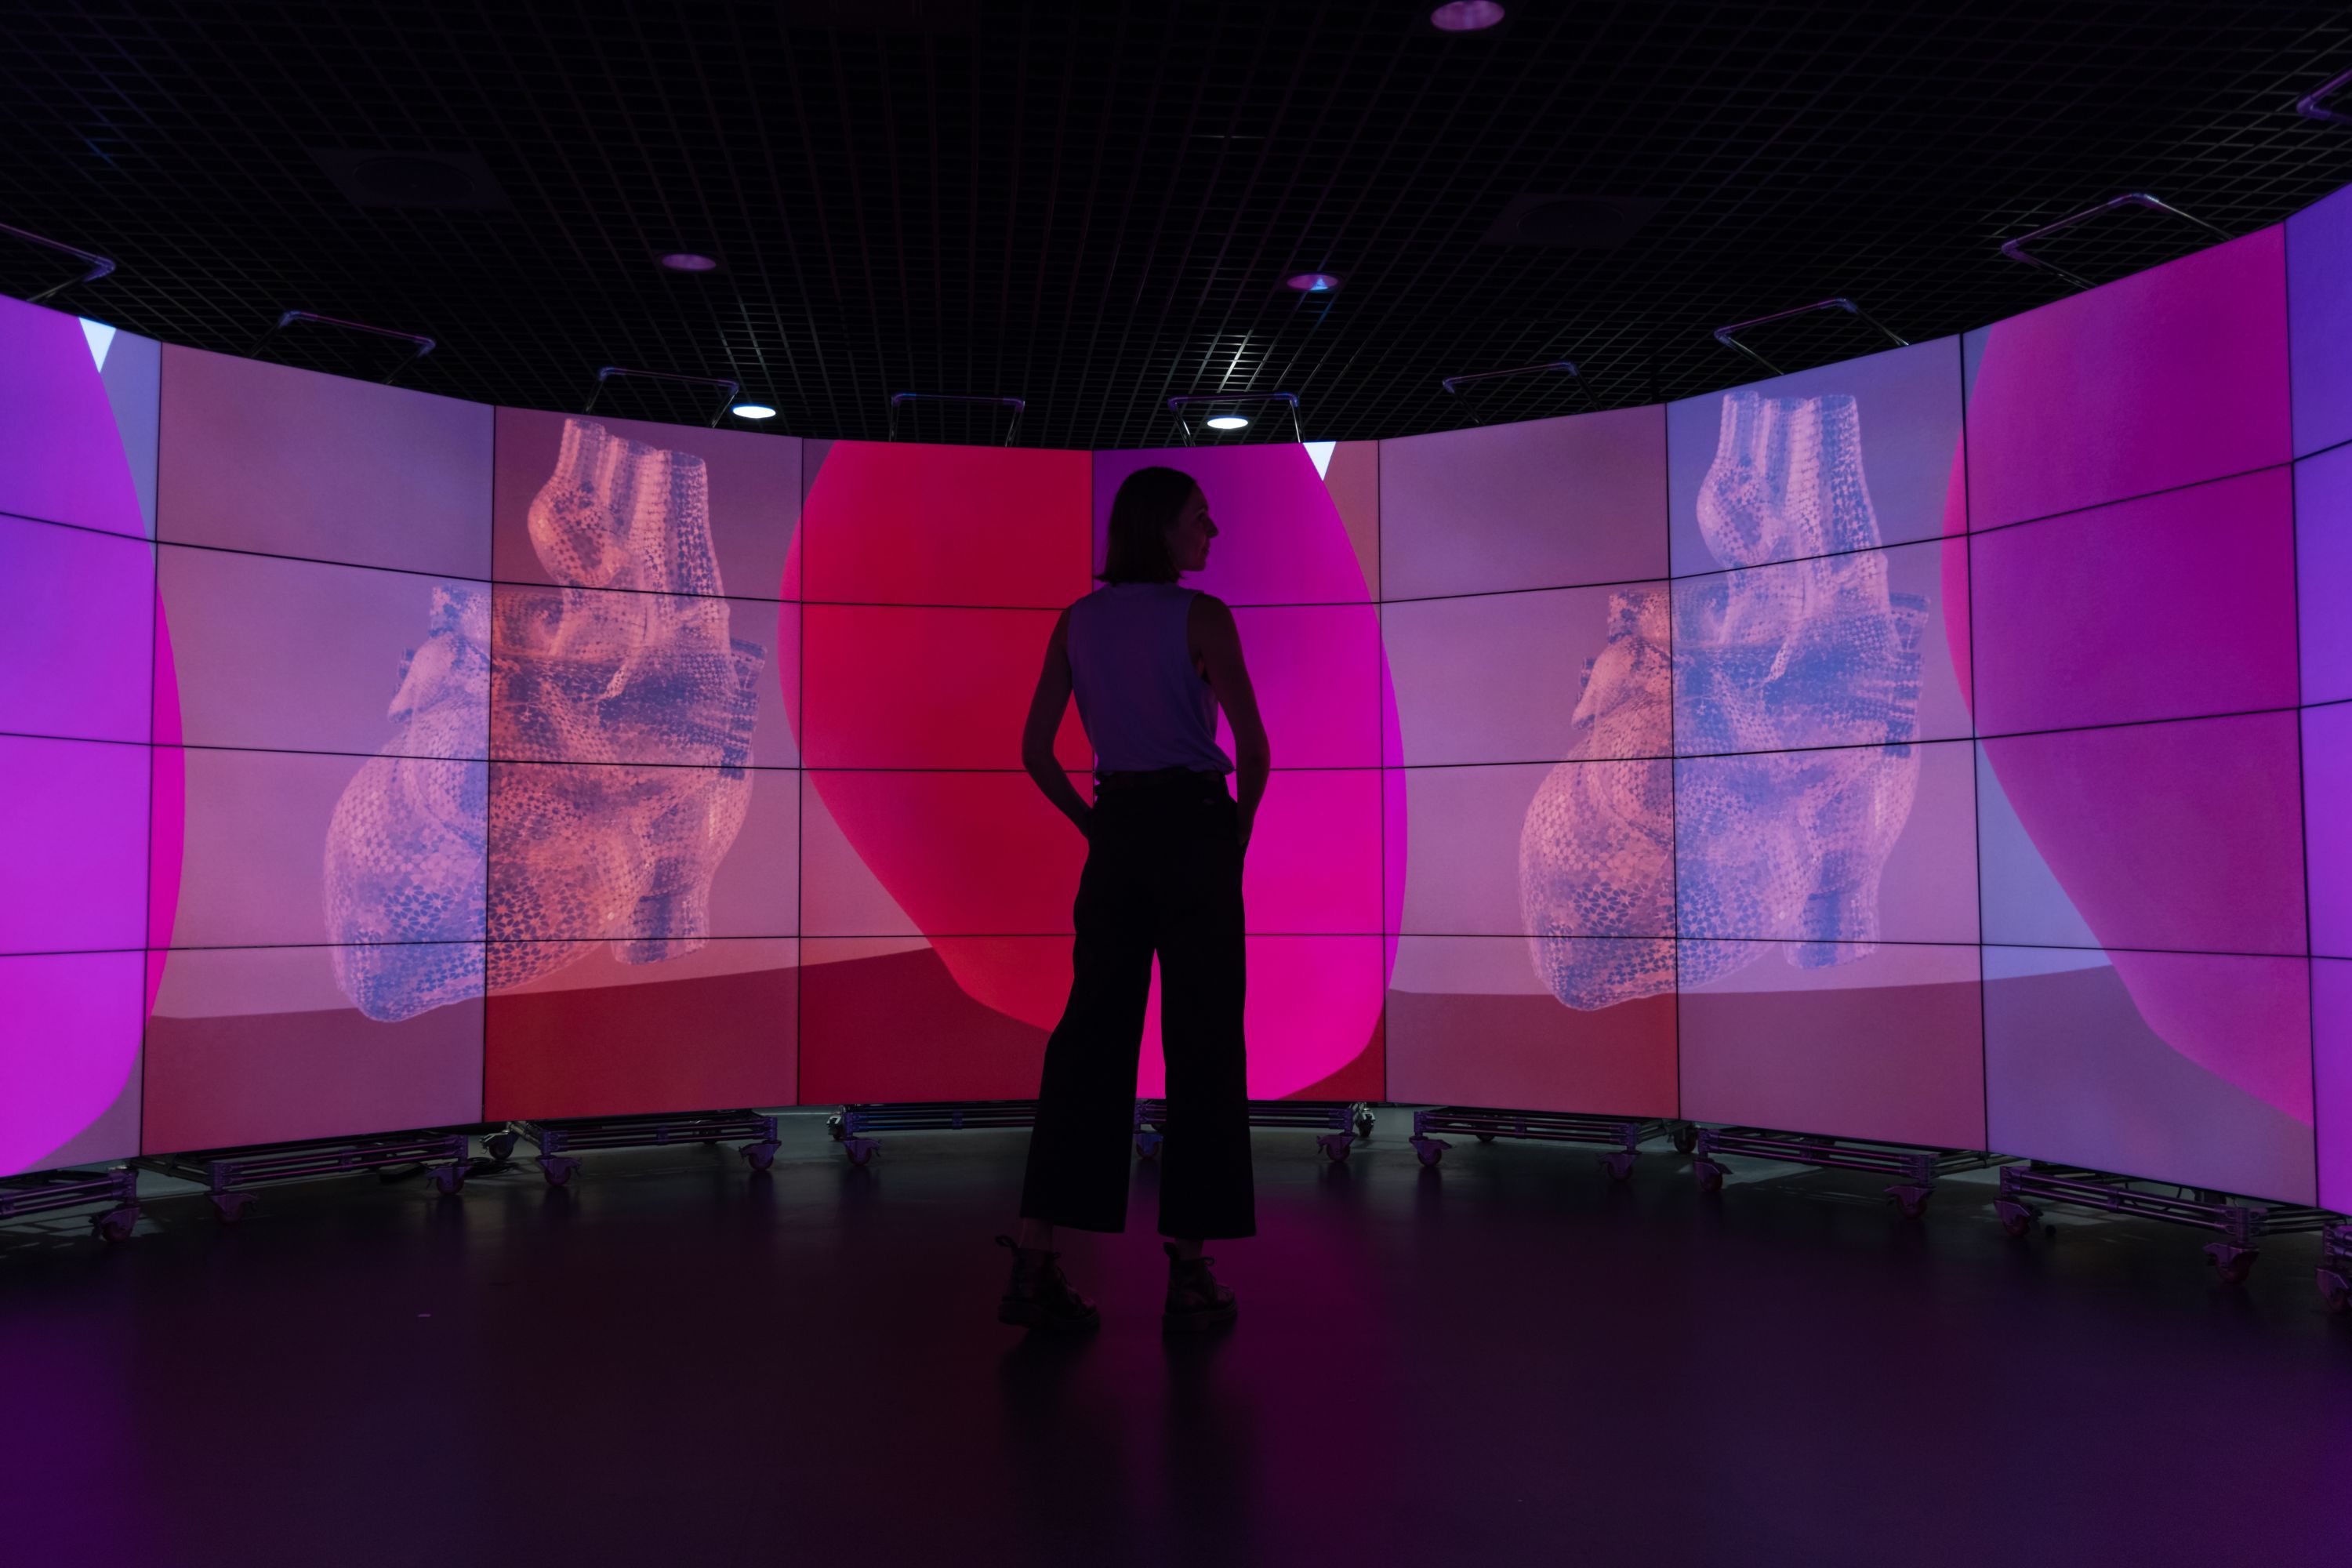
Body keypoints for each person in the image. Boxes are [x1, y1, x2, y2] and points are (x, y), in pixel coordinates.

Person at [994, 465, 1270, 1334]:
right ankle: (1189, 1269)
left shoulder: (1078, 622)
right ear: (1162, 528)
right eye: (1201, 517)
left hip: (1118, 831)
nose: (1212, 532)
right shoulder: (1202, 617)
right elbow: (1255, 749)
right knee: (1203, 1042)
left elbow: (1036, 750)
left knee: (1088, 1039)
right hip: (1194, 829)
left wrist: (1094, 824)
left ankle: (1036, 1256)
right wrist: (1238, 834)